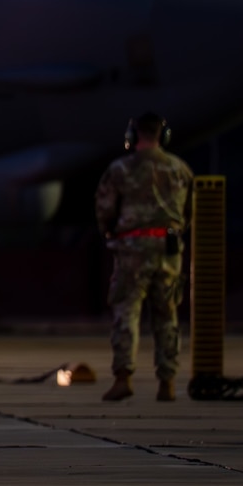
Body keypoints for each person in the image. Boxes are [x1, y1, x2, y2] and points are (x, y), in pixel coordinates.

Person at [94, 113, 193, 402]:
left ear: (133, 136)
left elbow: (105, 210)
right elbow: (189, 212)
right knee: (167, 315)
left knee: (127, 311)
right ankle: (168, 382)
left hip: (132, 249)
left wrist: (111, 233)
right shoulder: (179, 169)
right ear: (163, 136)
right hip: (169, 249)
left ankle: (123, 377)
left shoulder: (121, 170)